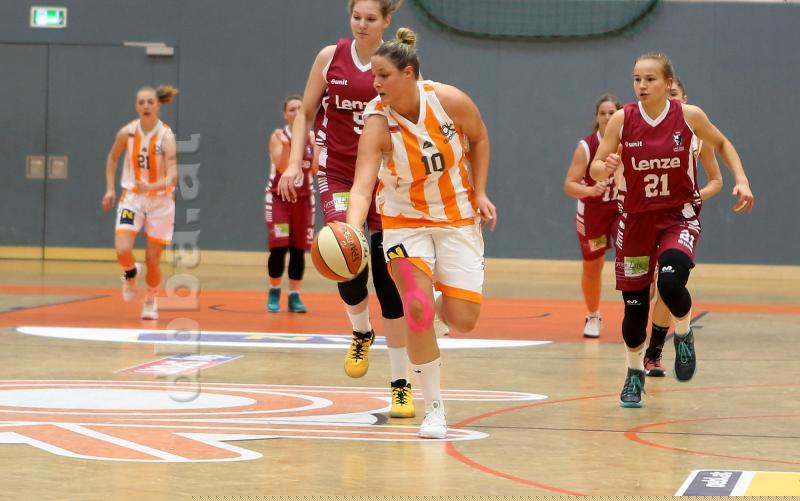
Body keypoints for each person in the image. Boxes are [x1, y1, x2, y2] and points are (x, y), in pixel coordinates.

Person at [347, 27, 497, 438]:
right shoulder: (377, 122)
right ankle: (433, 408)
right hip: (403, 223)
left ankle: (430, 321)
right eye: (373, 76)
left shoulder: (449, 101)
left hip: (457, 217)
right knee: (415, 306)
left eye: (383, 76)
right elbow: (362, 187)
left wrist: (481, 191)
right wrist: (351, 229)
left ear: (408, 73)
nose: (376, 84)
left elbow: (480, 138)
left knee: (464, 319)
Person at [590, 53, 754, 408]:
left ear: (668, 83)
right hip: (635, 221)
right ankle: (634, 373)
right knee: (635, 310)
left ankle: (682, 334)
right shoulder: (622, 119)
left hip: (677, 217)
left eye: (650, 79)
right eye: (637, 79)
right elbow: (596, 168)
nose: (642, 85)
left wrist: (741, 179)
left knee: (670, 280)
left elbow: (722, 143)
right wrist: (606, 166)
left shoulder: (689, 116)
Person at [276, 0, 415, 418]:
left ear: (387, 21)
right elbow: (305, 113)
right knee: (344, 254)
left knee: (387, 280)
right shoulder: (329, 57)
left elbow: (414, 121)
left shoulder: (394, 64)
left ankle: (401, 384)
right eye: (357, 17)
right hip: (337, 174)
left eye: (371, 19)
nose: (362, 24)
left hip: (384, 179)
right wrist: (293, 163)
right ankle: (361, 331)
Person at [644, 77, 723, 377]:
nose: (670, 100)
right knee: (642, 292)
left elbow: (716, 179)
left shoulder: (696, 131)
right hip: (644, 217)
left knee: (668, 283)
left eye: (675, 94)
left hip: (678, 220)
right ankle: (640, 357)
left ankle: (654, 353)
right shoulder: (642, 128)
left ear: (685, 98)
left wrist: (694, 196)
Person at [101, 85, 179, 320]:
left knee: (152, 259)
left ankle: (151, 299)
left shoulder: (166, 136)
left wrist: (152, 186)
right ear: (136, 106)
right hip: (133, 199)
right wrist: (110, 189)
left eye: (150, 102)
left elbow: (173, 176)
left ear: (158, 106)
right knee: (122, 250)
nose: (146, 106)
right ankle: (130, 274)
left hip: (161, 201)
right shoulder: (127, 132)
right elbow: (112, 158)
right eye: (141, 102)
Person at [563, 94, 622, 338]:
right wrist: (589, 190)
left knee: (633, 257)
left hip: (620, 208)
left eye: (612, 113)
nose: (607, 117)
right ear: (596, 117)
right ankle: (593, 315)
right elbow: (569, 185)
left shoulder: (629, 142)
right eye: (603, 113)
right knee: (593, 265)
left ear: (619, 116)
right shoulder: (586, 147)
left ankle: (637, 309)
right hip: (593, 212)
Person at [265, 95, 318, 313]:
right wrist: (288, 146)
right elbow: (282, 167)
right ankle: (274, 290)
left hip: (304, 200)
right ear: (285, 114)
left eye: (299, 108)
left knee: (298, 249)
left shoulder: (312, 138)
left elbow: (315, 170)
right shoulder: (279, 136)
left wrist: (317, 148)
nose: (296, 112)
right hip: (280, 199)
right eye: (292, 109)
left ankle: (294, 296)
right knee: (279, 247)